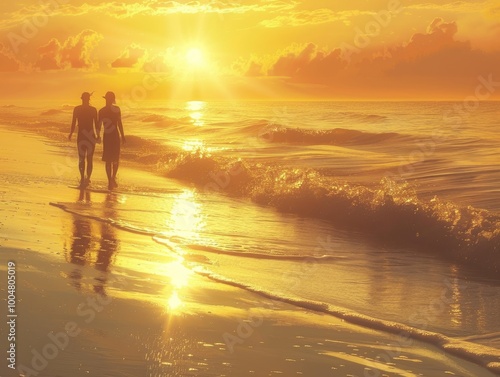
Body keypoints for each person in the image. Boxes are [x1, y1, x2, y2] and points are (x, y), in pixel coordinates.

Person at [97, 91, 126, 190]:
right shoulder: (114, 110)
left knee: (111, 160)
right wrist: (122, 136)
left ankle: (111, 179)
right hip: (112, 135)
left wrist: (122, 135)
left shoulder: (102, 111)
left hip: (110, 136)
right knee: (112, 159)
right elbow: (99, 125)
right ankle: (111, 179)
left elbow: (119, 123)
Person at [68, 92, 98, 188]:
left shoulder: (77, 109)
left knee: (84, 159)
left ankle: (84, 178)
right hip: (89, 136)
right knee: (88, 159)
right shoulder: (92, 110)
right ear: (89, 99)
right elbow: (96, 124)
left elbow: (74, 122)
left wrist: (71, 133)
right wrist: (97, 136)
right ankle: (85, 178)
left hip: (83, 136)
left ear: (82, 98)